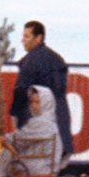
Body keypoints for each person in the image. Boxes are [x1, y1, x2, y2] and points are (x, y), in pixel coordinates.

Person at [13, 20, 72, 160]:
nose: (23, 40)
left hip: (36, 128)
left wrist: (18, 123)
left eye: (27, 36)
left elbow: (21, 93)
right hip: (61, 122)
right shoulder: (58, 59)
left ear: (38, 38)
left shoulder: (30, 61)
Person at [0, 85, 66, 177]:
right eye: (32, 102)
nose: (33, 106)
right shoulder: (52, 122)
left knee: (6, 150)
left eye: (38, 102)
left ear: (46, 103)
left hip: (35, 167)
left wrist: (5, 138)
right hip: (46, 166)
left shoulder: (40, 122)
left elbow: (18, 140)